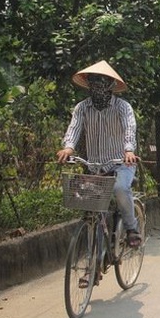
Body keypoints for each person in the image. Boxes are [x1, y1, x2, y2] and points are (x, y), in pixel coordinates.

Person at [56, 60, 142, 247]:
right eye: (93, 81)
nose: (97, 85)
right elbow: (74, 129)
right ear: (88, 84)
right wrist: (68, 148)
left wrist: (129, 150)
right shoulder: (82, 108)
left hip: (121, 163)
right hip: (94, 166)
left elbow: (130, 129)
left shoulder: (123, 107)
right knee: (89, 207)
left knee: (120, 189)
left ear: (110, 85)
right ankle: (94, 261)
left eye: (102, 81)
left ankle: (131, 228)